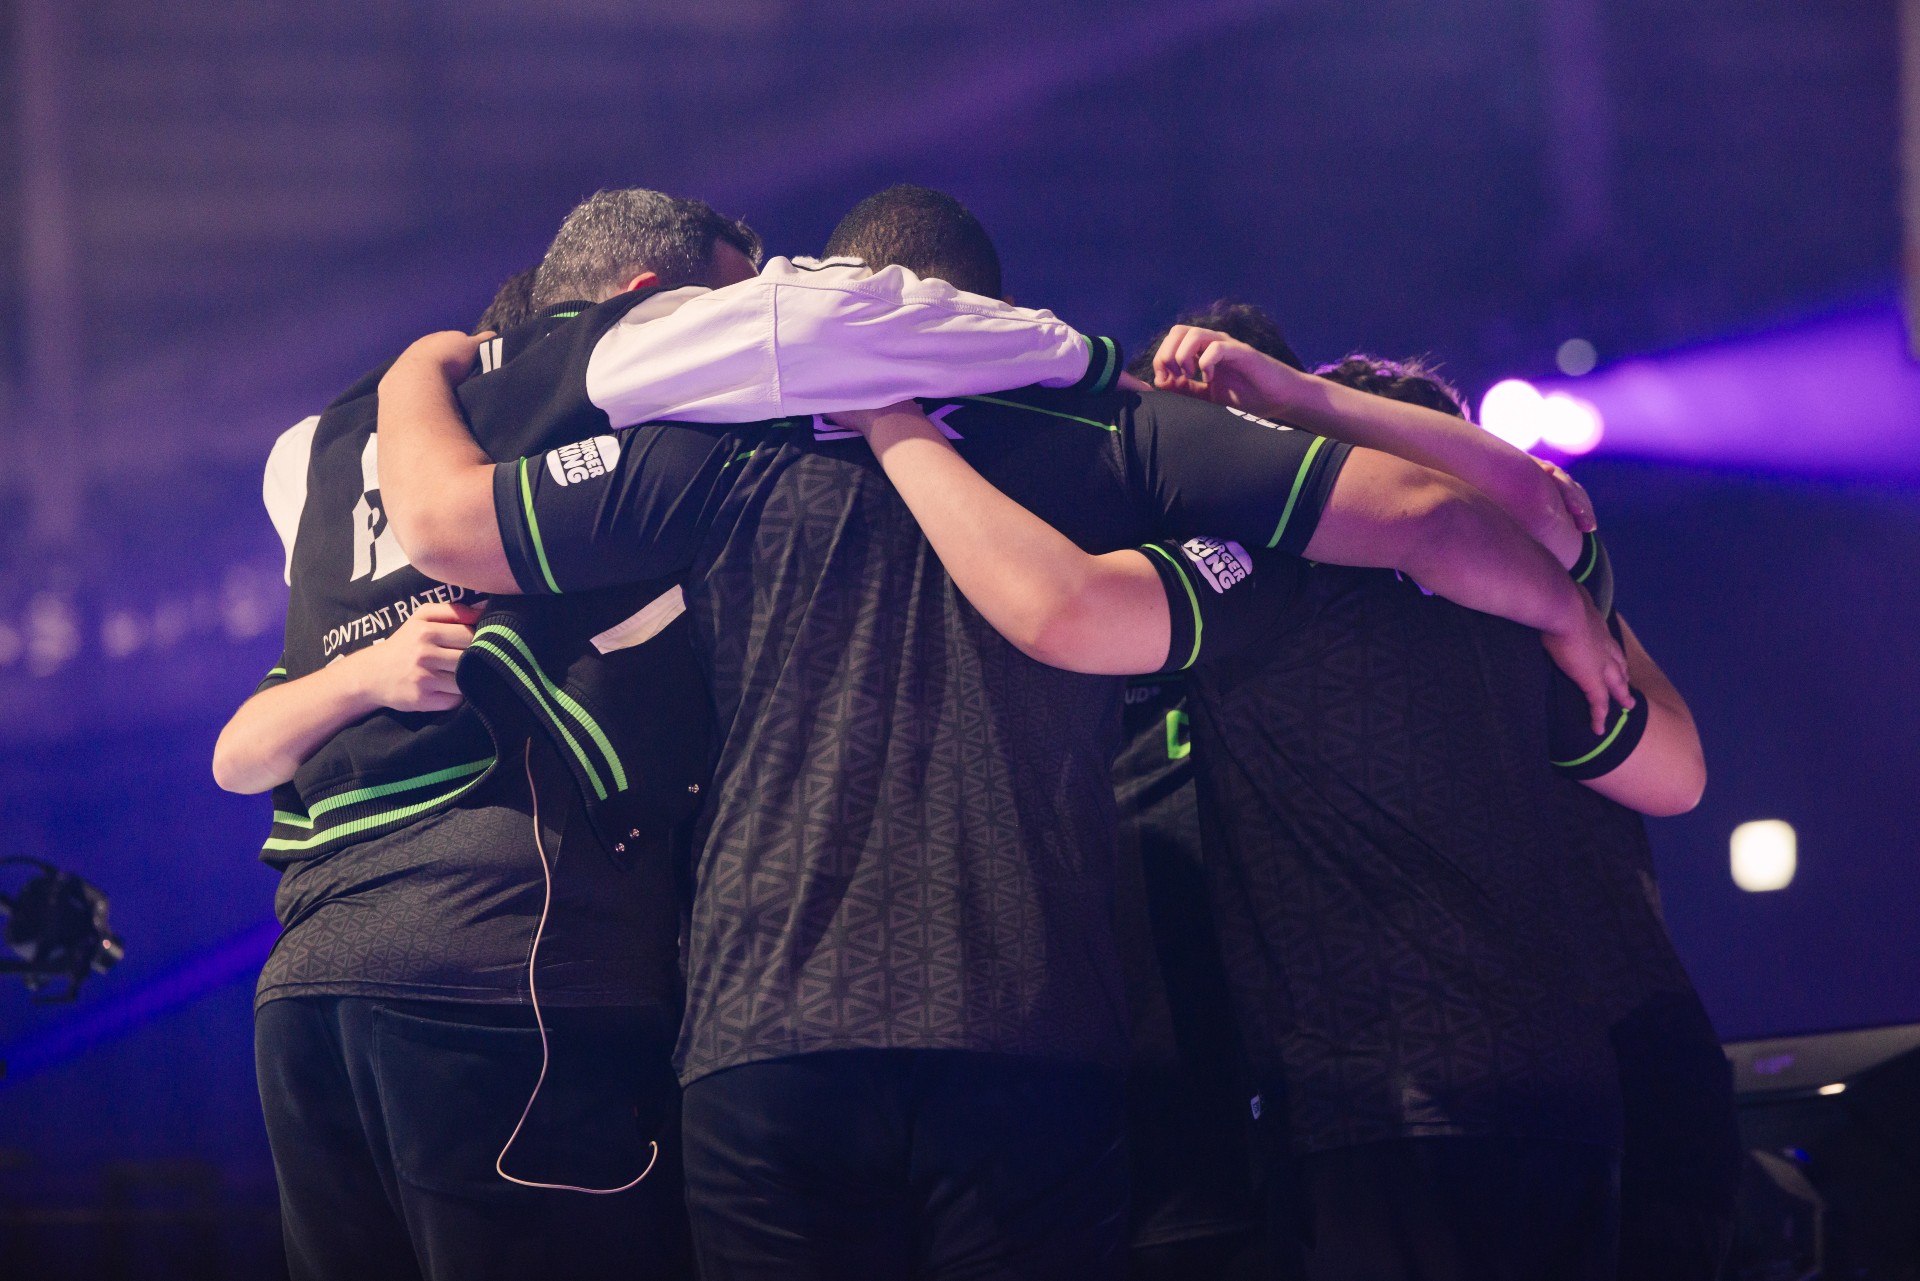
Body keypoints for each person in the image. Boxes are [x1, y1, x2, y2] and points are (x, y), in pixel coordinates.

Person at [372, 184, 1625, 1280]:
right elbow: (1427, 512)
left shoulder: (721, 441)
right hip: (1032, 1039)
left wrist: (405, 375)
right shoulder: (1108, 432)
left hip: (767, 1035)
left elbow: (442, 525)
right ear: (986, 307)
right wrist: (1569, 614)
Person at [820, 326, 1703, 1278]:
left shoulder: (1270, 571)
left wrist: (889, 419)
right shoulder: (1537, 619)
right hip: (1571, 1101)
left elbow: (1059, 605)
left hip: (1383, 1108)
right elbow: (1547, 518)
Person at [214, 189, 767, 1281]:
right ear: (648, 305)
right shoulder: (612, 417)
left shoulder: (321, 460)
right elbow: (237, 750)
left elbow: (238, 757)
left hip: (308, 993)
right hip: (505, 961)